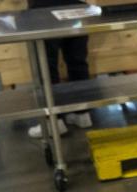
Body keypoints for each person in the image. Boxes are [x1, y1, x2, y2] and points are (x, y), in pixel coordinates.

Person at [26, 0, 93, 138]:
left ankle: (54, 122)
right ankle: (82, 114)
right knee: (77, 61)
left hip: (43, 10)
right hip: (77, 7)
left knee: (46, 66)